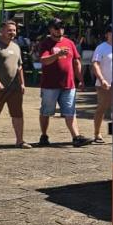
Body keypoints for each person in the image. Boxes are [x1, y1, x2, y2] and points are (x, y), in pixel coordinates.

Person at [36, 17, 89, 146]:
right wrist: (57, 55)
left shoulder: (69, 43)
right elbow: (44, 60)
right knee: (46, 111)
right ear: (50, 29)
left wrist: (80, 79)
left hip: (69, 84)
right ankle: (44, 135)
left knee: (70, 111)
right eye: (56, 27)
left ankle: (76, 137)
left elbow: (76, 61)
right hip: (50, 85)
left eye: (61, 27)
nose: (60, 30)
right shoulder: (45, 43)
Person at [0, 18, 30, 148]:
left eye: (14, 30)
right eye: (9, 30)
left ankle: (20, 141)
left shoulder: (16, 47)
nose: (12, 32)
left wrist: (22, 83)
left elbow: (19, 66)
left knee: (18, 113)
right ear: (2, 31)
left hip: (14, 88)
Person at [91, 24, 113, 144]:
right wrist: (102, 79)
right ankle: (97, 133)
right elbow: (95, 64)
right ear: (107, 34)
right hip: (104, 84)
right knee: (102, 108)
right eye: (111, 32)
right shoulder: (101, 47)